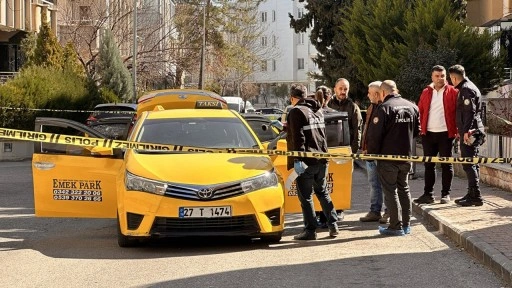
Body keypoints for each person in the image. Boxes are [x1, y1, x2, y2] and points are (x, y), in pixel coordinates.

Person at [367, 80, 420, 236]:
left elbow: (375, 136)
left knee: (390, 191)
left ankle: (395, 226)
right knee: (404, 188)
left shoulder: (384, 108)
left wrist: (371, 155)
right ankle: (406, 225)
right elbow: (416, 132)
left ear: (383, 93)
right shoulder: (412, 107)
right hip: (406, 157)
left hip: (388, 159)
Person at [286, 83, 339, 240]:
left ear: (292, 98)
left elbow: (298, 138)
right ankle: (333, 225)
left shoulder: (296, 111)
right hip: (321, 158)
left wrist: (297, 159)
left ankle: (310, 230)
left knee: (306, 196)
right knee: (322, 192)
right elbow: (316, 133)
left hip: (306, 160)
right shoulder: (317, 110)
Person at [414, 65, 458, 205]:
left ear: (446, 76)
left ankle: (446, 194)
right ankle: (428, 194)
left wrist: (457, 130)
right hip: (428, 134)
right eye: (437, 76)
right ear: (432, 77)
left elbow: (458, 112)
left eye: (442, 76)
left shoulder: (453, 91)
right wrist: (420, 129)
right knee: (429, 165)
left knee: (446, 165)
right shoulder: (426, 91)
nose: (440, 78)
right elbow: (420, 110)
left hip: (446, 134)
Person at [448, 65, 485, 207]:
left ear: (454, 77)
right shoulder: (470, 86)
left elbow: (469, 111)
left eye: (451, 79)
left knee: (469, 164)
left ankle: (475, 196)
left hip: (471, 132)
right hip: (474, 130)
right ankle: (473, 193)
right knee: (472, 163)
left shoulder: (466, 89)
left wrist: (465, 131)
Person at [359, 81, 389, 224]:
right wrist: (364, 147)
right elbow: (367, 130)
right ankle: (374, 211)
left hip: (382, 155)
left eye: (370, 92)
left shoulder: (385, 109)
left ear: (377, 94)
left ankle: (389, 211)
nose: (367, 95)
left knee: (385, 184)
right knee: (373, 183)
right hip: (370, 153)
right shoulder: (371, 108)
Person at [328, 78, 363, 153]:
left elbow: (357, 130)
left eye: (345, 89)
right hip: (329, 148)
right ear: (335, 89)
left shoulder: (353, 107)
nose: (343, 91)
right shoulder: (328, 105)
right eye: (340, 89)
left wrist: (353, 150)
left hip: (347, 148)